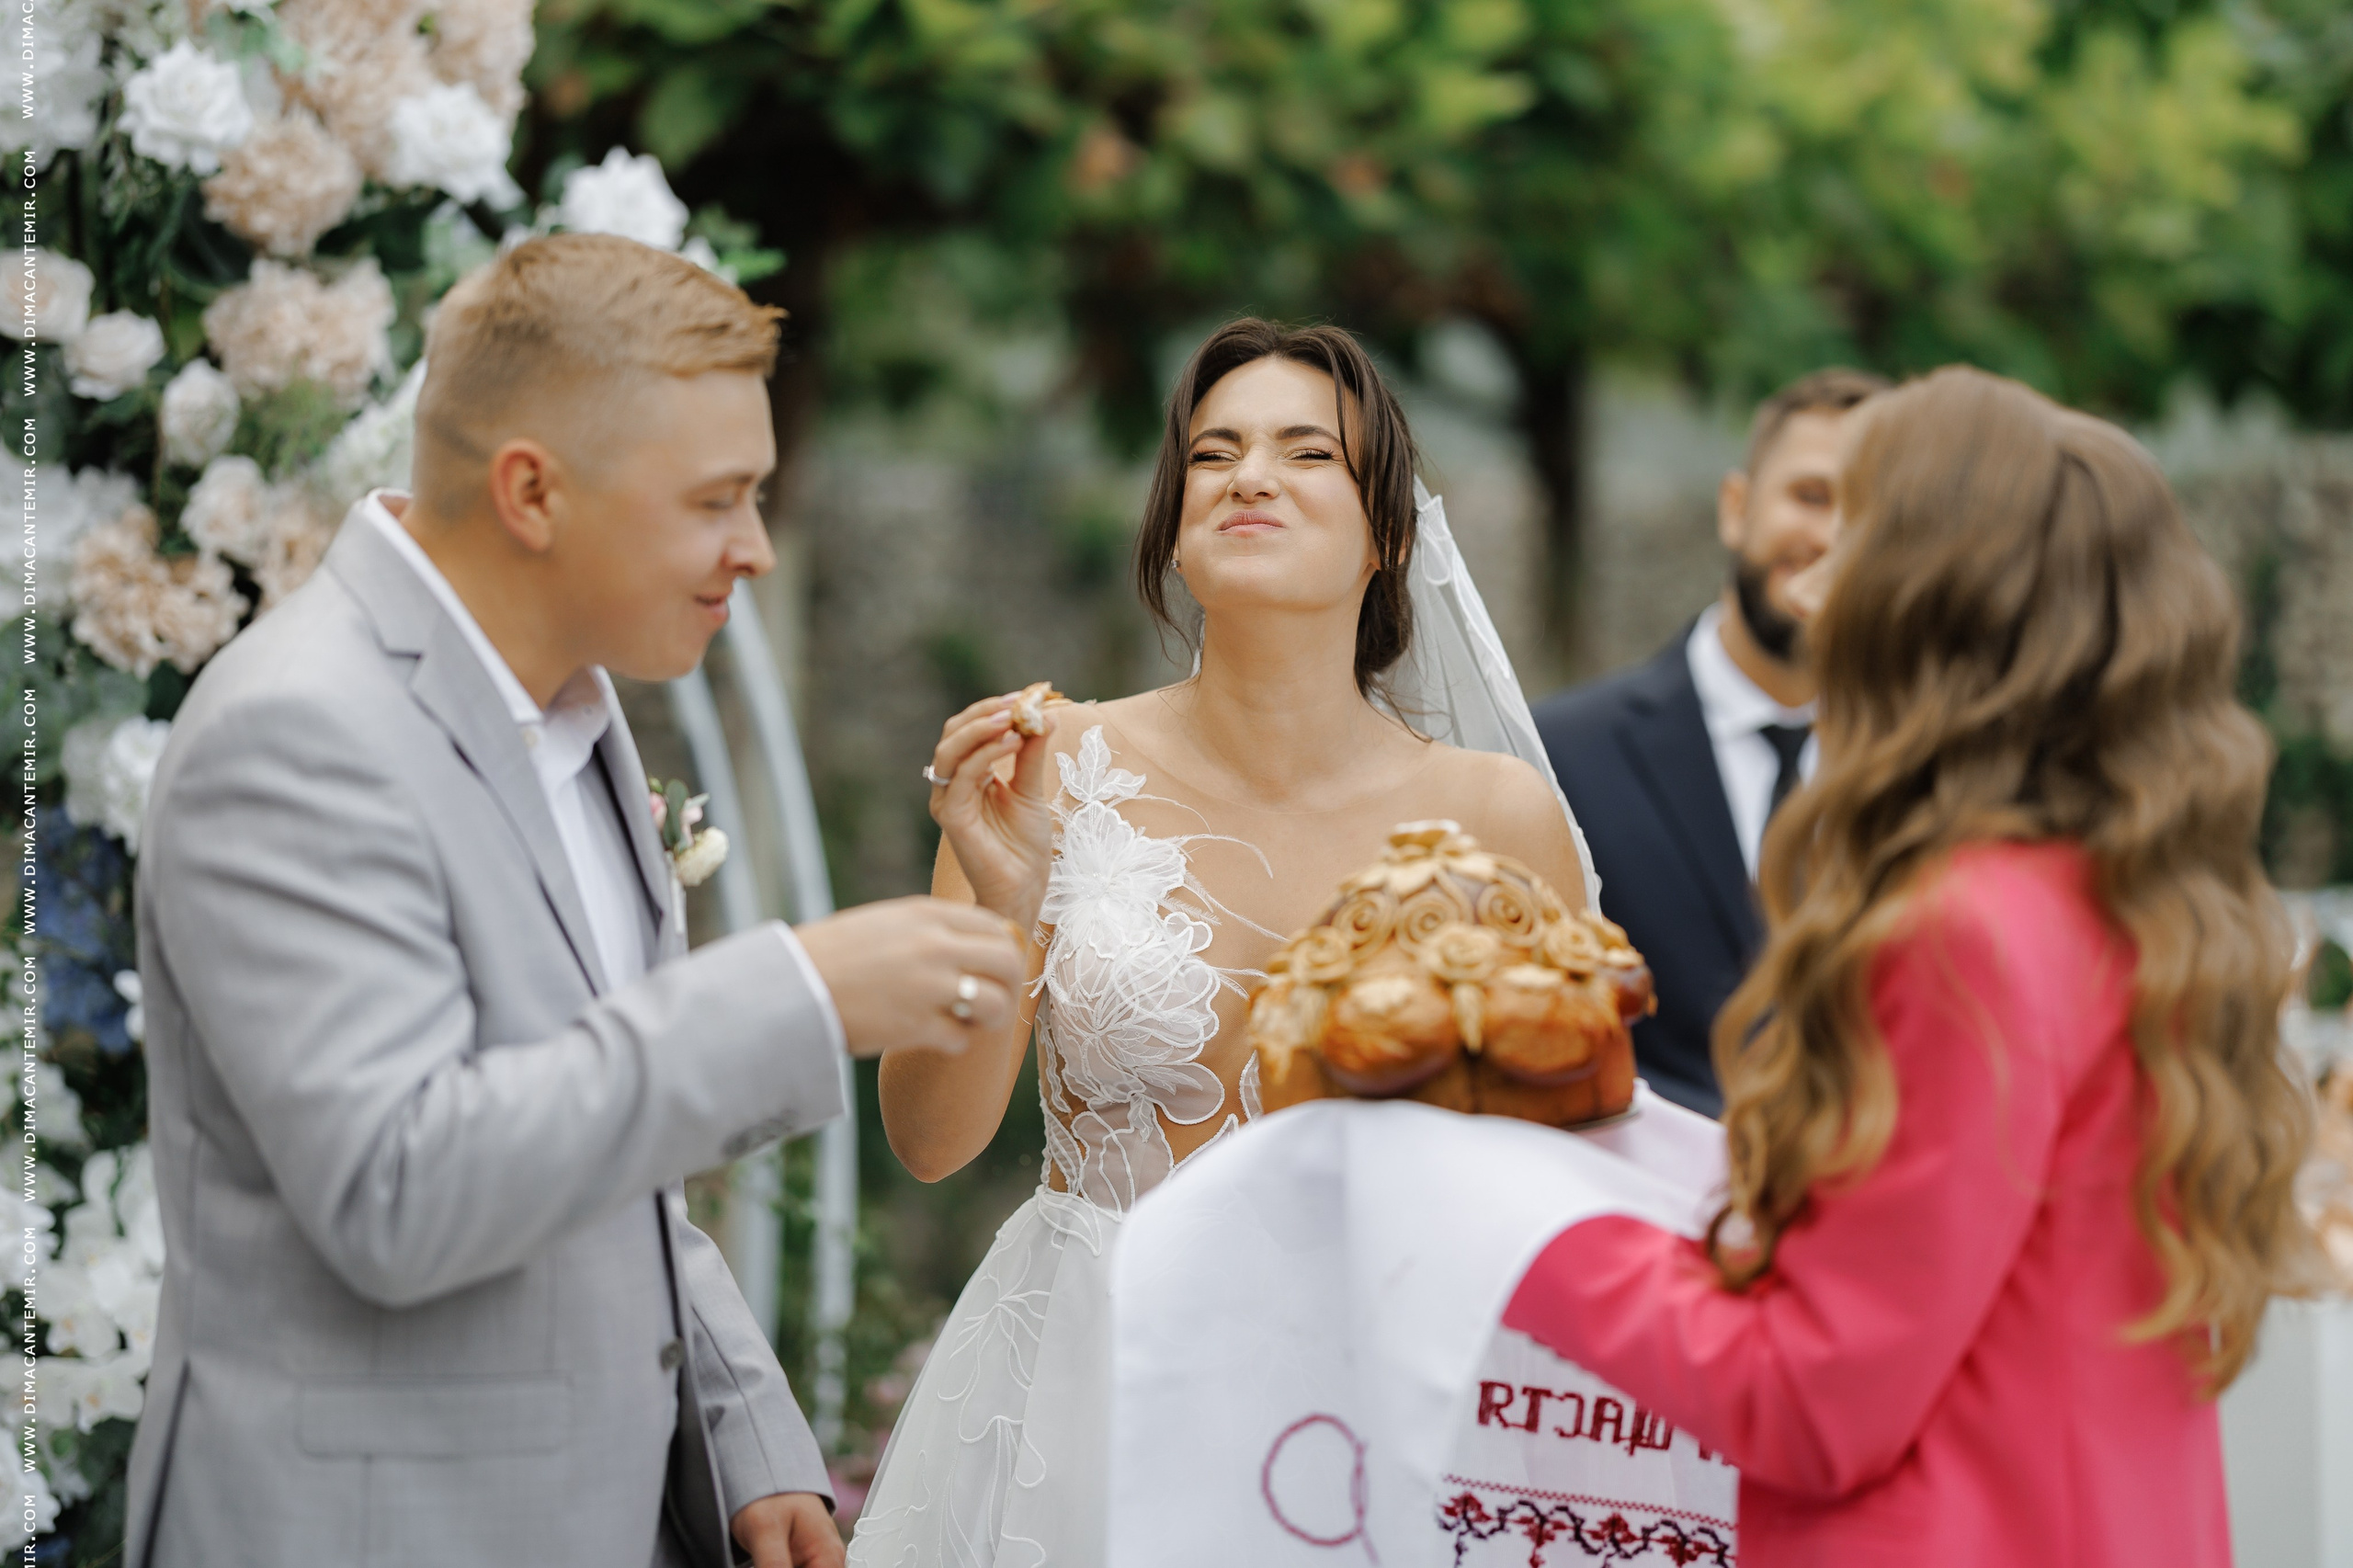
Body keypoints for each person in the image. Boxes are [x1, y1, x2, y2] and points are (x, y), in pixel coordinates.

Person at [125, 235, 1029, 1568]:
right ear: (533, 492)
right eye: (717, 500)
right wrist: (800, 992)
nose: (758, 549)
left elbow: (611, 1163)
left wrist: (743, 1434)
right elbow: (401, 1187)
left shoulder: (577, 713)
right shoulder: (296, 736)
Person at [1502, 367, 2324, 1566]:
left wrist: (1514, 1229)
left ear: (1930, 593)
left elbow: (1813, 1396)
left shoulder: (1964, 932)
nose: (1822, 575)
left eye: (1861, 530)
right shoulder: (2132, 890)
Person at [846, 320, 1593, 1563]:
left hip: (1374, 1400)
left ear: (1389, 534)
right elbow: (929, 1142)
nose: (1250, 474)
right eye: (1214, 451)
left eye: (1309, 452)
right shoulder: (1048, 771)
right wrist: (1011, 907)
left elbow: (1565, 1181)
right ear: (1174, 529)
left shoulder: (1495, 816)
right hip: (1082, 1383)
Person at [1531, 368, 1889, 1115]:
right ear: (1736, 507)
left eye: (1872, 514)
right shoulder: (1560, 755)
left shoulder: (1930, 772)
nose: (1832, 539)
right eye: (1812, 497)